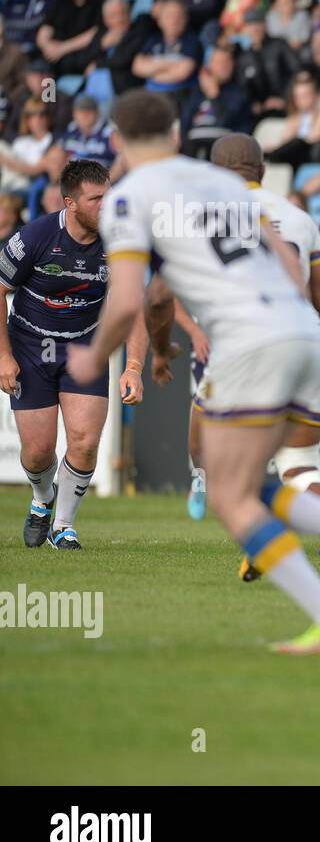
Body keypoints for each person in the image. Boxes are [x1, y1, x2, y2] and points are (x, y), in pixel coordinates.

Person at [68, 89, 320, 655]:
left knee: (229, 495)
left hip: (248, 343)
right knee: (261, 478)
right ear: (177, 136)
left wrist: (97, 353)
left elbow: (132, 300)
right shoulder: (224, 186)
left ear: (118, 141)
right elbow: (289, 262)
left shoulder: (132, 198)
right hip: (302, 336)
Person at [207, 133, 320, 592]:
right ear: (262, 172)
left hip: (244, 351)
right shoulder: (299, 218)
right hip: (305, 346)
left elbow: (158, 297)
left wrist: (160, 351)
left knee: (224, 469)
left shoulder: (201, 217)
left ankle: (268, 541)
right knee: (300, 466)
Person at [0, 159, 147, 550]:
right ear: (70, 203)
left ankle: (63, 525)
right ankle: (42, 499)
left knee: (84, 441)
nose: (106, 205)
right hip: (30, 346)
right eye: (96, 198)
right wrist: (3, 356)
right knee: (37, 452)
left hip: (85, 346)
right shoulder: (34, 237)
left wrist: (133, 366)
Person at [34, 0, 101, 76]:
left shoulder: (101, 2)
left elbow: (95, 33)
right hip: (53, 56)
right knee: (34, 68)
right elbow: (44, 31)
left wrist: (62, 49)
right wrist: (48, 47)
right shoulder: (60, 3)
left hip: (81, 56)